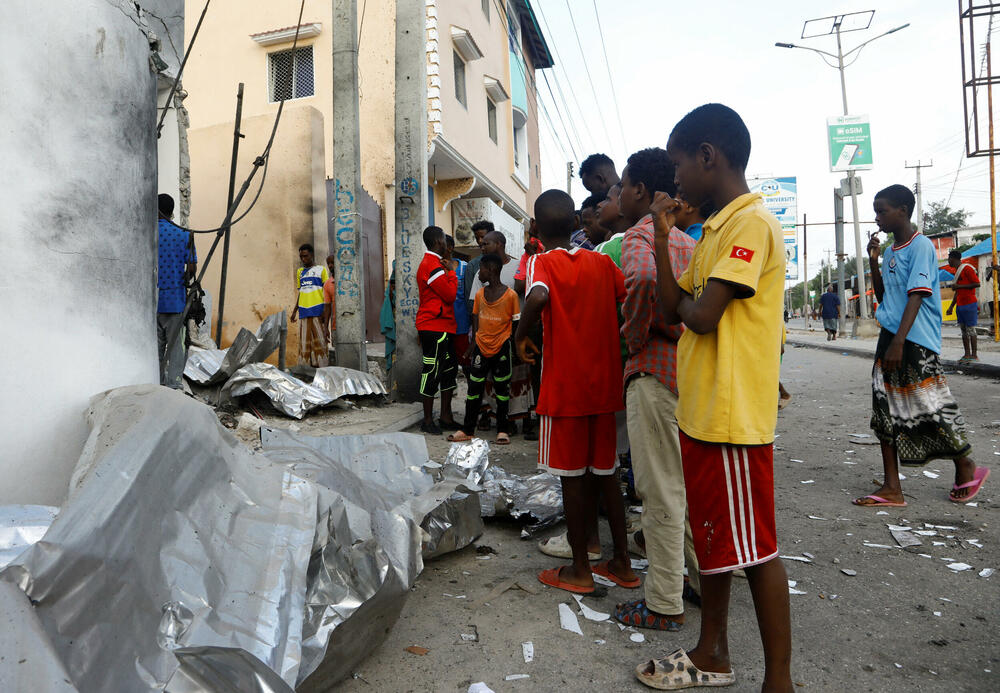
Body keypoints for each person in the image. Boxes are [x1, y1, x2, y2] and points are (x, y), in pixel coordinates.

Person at [644, 103, 792, 692]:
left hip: (732, 417)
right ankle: (713, 651)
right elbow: (669, 306)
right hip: (702, 412)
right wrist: (663, 237)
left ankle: (778, 681)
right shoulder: (711, 231)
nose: (675, 181)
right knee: (714, 542)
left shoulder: (751, 223)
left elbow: (701, 317)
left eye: (679, 165)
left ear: (708, 156)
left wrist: (686, 305)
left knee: (755, 551)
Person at [517, 189, 637, 594]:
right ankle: (622, 562)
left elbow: (537, 296)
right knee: (607, 474)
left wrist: (520, 335)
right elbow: (629, 295)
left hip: (565, 389)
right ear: (574, 224)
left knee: (571, 478)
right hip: (604, 387)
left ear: (535, 228)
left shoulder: (541, 263)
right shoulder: (602, 261)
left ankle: (581, 567)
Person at [855, 185, 988, 508]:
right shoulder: (891, 251)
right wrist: (874, 261)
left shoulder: (921, 246)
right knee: (884, 407)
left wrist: (899, 342)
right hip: (891, 334)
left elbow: (917, 294)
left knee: (929, 406)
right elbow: (886, 297)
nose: (877, 218)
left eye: (882, 211)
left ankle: (966, 464)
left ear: (902, 210)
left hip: (914, 339)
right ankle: (892, 487)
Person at [614, 147, 701, 633]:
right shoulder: (688, 241)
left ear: (642, 191)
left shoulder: (641, 234)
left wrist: (634, 335)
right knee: (684, 487)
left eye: (624, 186)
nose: (619, 195)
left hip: (653, 371)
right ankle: (700, 581)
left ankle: (664, 602)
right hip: (689, 375)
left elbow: (645, 279)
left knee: (660, 491)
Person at [448, 253, 519, 446]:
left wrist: (514, 348)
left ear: (492, 270)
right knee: (474, 389)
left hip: (502, 347)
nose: (478, 273)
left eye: (482, 269)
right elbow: (475, 318)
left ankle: (502, 429)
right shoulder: (480, 294)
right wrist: (473, 345)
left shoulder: (511, 296)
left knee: (502, 390)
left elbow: (516, 323)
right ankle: (467, 429)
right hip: (481, 347)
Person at [472, 231, 534, 436]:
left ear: (499, 244)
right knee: (495, 380)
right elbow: (476, 305)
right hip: (490, 338)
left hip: (515, 332)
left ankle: (522, 418)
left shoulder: (518, 266)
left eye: (486, 243)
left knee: (518, 378)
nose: (482, 247)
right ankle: (498, 419)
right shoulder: (481, 271)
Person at [416, 225, 459, 434]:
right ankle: (427, 420)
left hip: (443, 326)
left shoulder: (434, 263)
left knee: (448, 371)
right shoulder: (432, 265)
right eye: (443, 240)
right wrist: (452, 272)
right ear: (438, 242)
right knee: (432, 372)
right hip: (434, 326)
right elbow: (449, 295)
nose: (446, 244)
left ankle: (445, 417)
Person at [156, 193, 197, 389]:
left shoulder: (147, 233)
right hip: (176, 300)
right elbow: (191, 269)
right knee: (175, 349)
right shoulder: (184, 234)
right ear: (171, 211)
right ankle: (173, 385)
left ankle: (155, 382)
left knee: (154, 348)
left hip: (152, 302)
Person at [289, 243, 330, 368]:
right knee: (304, 344)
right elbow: (301, 292)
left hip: (318, 311)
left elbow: (326, 292)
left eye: (305, 256)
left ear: (312, 255)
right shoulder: (300, 272)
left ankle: (323, 370)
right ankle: (306, 371)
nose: (303, 259)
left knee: (320, 343)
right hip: (304, 312)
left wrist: (325, 311)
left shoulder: (321, 270)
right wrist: (295, 310)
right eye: (301, 257)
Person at [947, 249, 981, 362]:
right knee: (963, 331)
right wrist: (951, 306)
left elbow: (977, 283)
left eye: (949, 258)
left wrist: (959, 286)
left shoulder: (967, 268)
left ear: (953, 258)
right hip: (960, 305)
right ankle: (966, 354)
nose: (948, 261)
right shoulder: (957, 271)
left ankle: (974, 355)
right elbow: (957, 292)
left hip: (969, 304)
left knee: (971, 330)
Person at [446, 236, 472, 373]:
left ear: (450, 248)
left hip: (462, 326)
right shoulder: (436, 269)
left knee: (466, 362)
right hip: (443, 326)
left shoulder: (465, 267)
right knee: (448, 365)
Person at [464, 220, 494, 316]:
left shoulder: (506, 262)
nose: (480, 241)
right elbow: (470, 299)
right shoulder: (472, 265)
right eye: (477, 238)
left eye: (482, 237)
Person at [322, 253, 337, 360]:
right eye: (328, 263)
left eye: (333, 262)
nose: (330, 265)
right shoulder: (327, 284)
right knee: (338, 355)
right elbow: (327, 308)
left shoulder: (349, 280)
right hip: (336, 326)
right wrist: (326, 328)